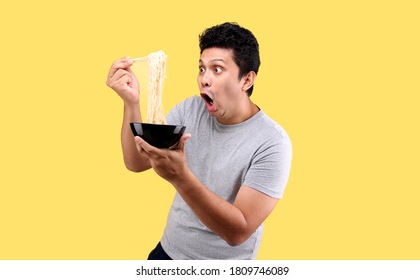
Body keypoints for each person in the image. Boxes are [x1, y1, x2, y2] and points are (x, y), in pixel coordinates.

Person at [106, 22, 292, 260]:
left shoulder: (272, 143)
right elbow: (137, 161)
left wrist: (181, 177)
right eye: (202, 68)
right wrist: (131, 102)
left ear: (246, 80)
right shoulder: (191, 110)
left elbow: (238, 231)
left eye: (217, 69)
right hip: (168, 252)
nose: (204, 79)